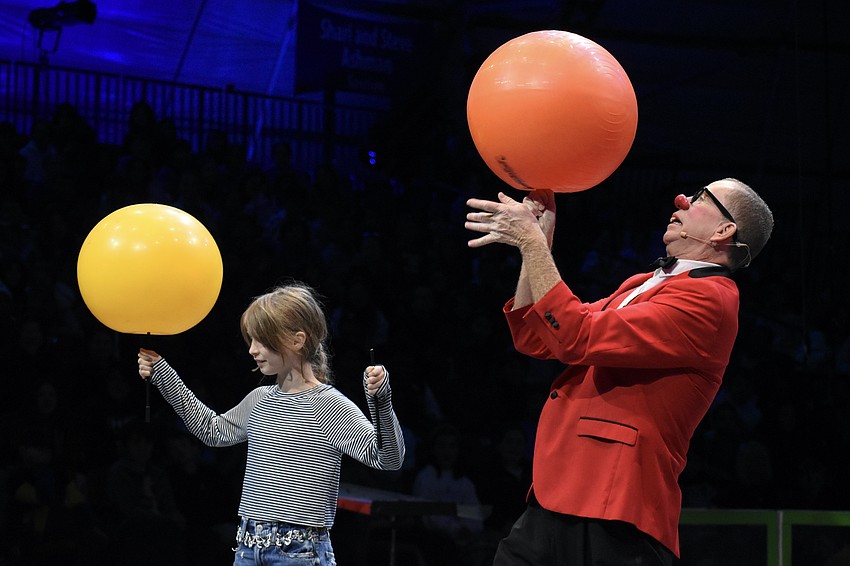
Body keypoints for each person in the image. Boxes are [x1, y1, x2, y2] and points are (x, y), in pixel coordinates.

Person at [464, 178, 773, 565]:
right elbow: (539, 337)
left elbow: (574, 335)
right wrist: (538, 244)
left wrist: (532, 242)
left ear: (723, 231)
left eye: (700, 198)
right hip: (559, 494)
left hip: (616, 506)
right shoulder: (645, 283)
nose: (680, 199)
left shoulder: (709, 299)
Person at [137, 282, 405, 566]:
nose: (252, 350)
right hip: (248, 548)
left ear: (297, 340)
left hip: (300, 553)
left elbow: (388, 459)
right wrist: (162, 373)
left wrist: (381, 401)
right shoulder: (260, 399)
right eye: (251, 340)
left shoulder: (327, 405)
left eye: (262, 340)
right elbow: (212, 430)